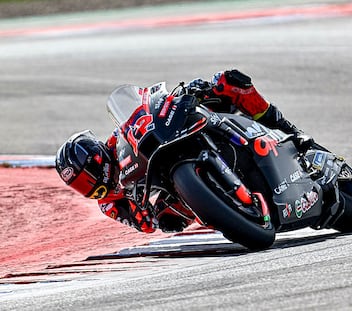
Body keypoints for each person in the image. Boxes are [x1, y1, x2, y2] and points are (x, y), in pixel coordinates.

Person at [55, 69, 312, 233]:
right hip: (178, 192)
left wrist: (181, 95)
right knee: (169, 221)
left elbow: (147, 107)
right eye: (89, 190)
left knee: (229, 82)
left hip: (177, 138)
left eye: (93, 182)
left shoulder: (119, 139)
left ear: (99, 158)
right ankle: (232, 208)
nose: (99, 189)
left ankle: (290, 130)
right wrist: (148, 211)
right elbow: (146, 226)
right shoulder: (109, 204)